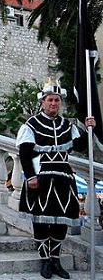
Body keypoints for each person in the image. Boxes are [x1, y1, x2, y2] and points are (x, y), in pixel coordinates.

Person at [16, 79, 95, 279]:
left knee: (61, 221)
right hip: (40, 177)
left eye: (57, 101)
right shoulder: (31, 124)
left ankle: (55, 260)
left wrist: (89, 129)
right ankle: (44, 260)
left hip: (63, 179)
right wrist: (30, 176)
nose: (53, 104)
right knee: (41, 221)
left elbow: (79, 147)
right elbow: (25, 152)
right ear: (43, 102)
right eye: (50, 100)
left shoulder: (67, 125)